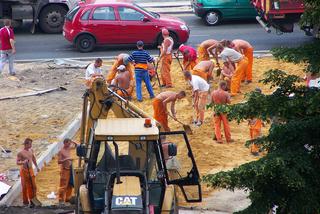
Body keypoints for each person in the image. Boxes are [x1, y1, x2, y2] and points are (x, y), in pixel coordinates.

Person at [16, 138, 40, 207]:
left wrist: (37, 166)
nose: (31, 145)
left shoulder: (31, 150)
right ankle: (25, 201)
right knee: (25, 186)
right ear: (26, 144)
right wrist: (23, 162)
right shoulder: (20, 153)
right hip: (24, 171)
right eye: (30, 144)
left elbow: (33, 158)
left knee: (33, 186)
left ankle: (33, 200)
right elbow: (17, 162)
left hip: (30, 169)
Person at [57, 138, 77, 203]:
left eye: (70, 143)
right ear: (65, 143)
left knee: (70, 184)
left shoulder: (69, 148)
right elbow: (59, 161)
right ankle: (60, 199)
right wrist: (66, 159)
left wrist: (72, 141)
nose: (69, 145)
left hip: (69, 169)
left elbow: (76, 146)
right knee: (63, 186)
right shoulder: (61, 151)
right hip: (64, 170)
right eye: (68, 143)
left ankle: (68, 198)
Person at [248, 88, 264, 155]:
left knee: (257, 135)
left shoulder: (251, 101)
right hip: (255, 122)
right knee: (256, 136)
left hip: (254, 121)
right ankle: (254, 151)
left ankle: (257, 148)